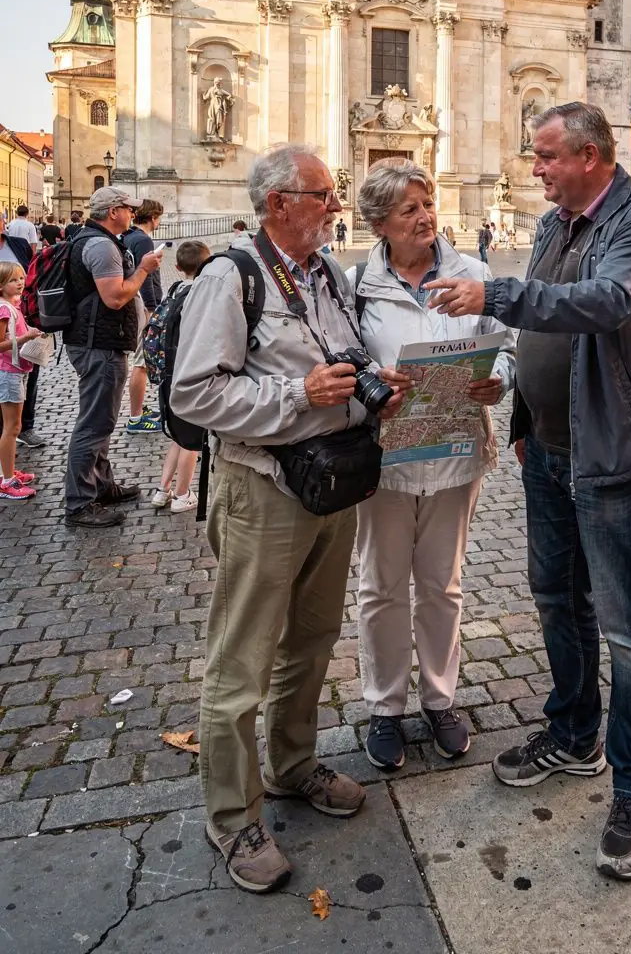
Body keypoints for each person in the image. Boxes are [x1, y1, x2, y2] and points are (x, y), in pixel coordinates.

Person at [426, 102, 631, 882]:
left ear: (588, 155)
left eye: (546, 156)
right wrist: (518, 410)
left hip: (614, 452)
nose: (535, 167)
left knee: (628, 625)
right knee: (556, 598)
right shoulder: (555, 225)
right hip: (547, 447)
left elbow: (605, 304)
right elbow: (541, 334)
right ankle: (575, 734)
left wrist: (493, 296)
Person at [170, 144, 406, 894]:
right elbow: (194, 395)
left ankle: (294, 764)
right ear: (279, 204)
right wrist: (299, 396)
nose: (336, 206)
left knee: (311, 641)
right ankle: (234, 817)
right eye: (323, 195)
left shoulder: (328, 274)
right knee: (241, 662)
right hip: (264, 488)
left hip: (332, 485)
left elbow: (344, 355)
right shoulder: (229, 278)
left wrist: (374, 387)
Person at [351, 161, 515, 771]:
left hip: (454, 453)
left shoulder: (473, 273)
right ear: (379, 224)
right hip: (388, 460)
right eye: (409, 210)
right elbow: (343, 360)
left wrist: (497, 378)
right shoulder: (358, 285)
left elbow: (508, 344)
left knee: (443, 584)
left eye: (428, 203)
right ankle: (385, 706)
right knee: (380, 586)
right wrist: (371, 381)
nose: (425, 216)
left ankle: (440, 698)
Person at [63, 187, 163, 529]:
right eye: (127, 208)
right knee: (93, 424)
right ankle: (80, 503)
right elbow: (116, 298)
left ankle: (102, 486)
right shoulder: (102, 245)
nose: (132, 214)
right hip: (98, 344)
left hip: (101, 342)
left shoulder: (98, 240)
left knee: (102, 420)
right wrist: (145, 269)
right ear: (112, 212)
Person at [151, 240, 211, 512]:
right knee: (191, 441)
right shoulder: (202, 294)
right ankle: (182, 495)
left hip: (169, 375)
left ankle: (162, 490)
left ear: (176, 267)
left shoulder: (174, 290)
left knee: (177, 436)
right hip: (190, 375)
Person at [0, 214, 43, 452]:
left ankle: (25, 427)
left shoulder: (17, 244)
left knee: (28, 374)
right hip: (3, 319)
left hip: (19, 312)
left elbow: (32, 275)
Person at [124, 200, 165, 434]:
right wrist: (152, 309)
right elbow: (146, 276)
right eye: (158, 217)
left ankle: (138, 408)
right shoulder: (143, 239)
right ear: (153, 217)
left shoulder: (129, 237)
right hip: (143, 306)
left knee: (140, 362)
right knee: (141, 363)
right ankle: (135, 418)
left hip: (134, 303)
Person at [0, 263, 39, 500]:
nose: (20, 282)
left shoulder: (12, 306)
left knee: (13, 427)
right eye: (14, 279)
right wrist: (26, 337)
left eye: (22, 278)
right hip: (8, 372)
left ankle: (8, 470)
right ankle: (6, 481)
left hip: (16, 370)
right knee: (12, 427)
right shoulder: (4, 310)